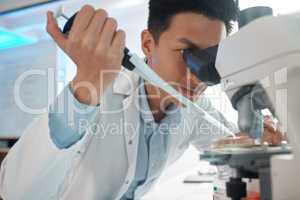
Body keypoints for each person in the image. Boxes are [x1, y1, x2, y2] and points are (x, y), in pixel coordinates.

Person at [0, 0, 279, 199]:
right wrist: (87, 87)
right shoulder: (96, 96)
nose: (198, 77)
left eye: (211, 58)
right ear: (148, 44)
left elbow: (234, 141)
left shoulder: (193, 107)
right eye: (186, 53)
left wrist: (262, 137)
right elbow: (14, 193)